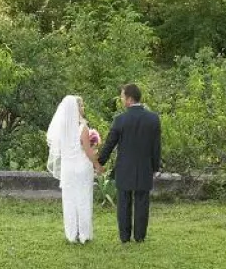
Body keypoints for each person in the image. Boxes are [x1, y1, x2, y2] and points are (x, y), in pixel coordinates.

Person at [97, 83, 162, 244]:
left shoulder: (120, 120)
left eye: (122, 96)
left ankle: (124, 237)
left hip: (124, 167)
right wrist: (155, 167)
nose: (121, 99)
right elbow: (156, 146)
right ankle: (140, 236)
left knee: (124, 203)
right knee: (142, 202)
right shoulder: (153, 119)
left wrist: (98, 162)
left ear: (130, 99)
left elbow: (109, 145)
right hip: (144, 166)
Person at [45, 95, 99, 244]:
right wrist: (98, 164)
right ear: (75, 109)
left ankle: (71, 234)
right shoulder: (83, 128)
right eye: (81, 106)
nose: (83, 108)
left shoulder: (61, 129)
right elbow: (87, 151)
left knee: (69, 200)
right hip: (81, 167)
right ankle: (84, 234)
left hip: (68, 169)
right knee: (83, 198)